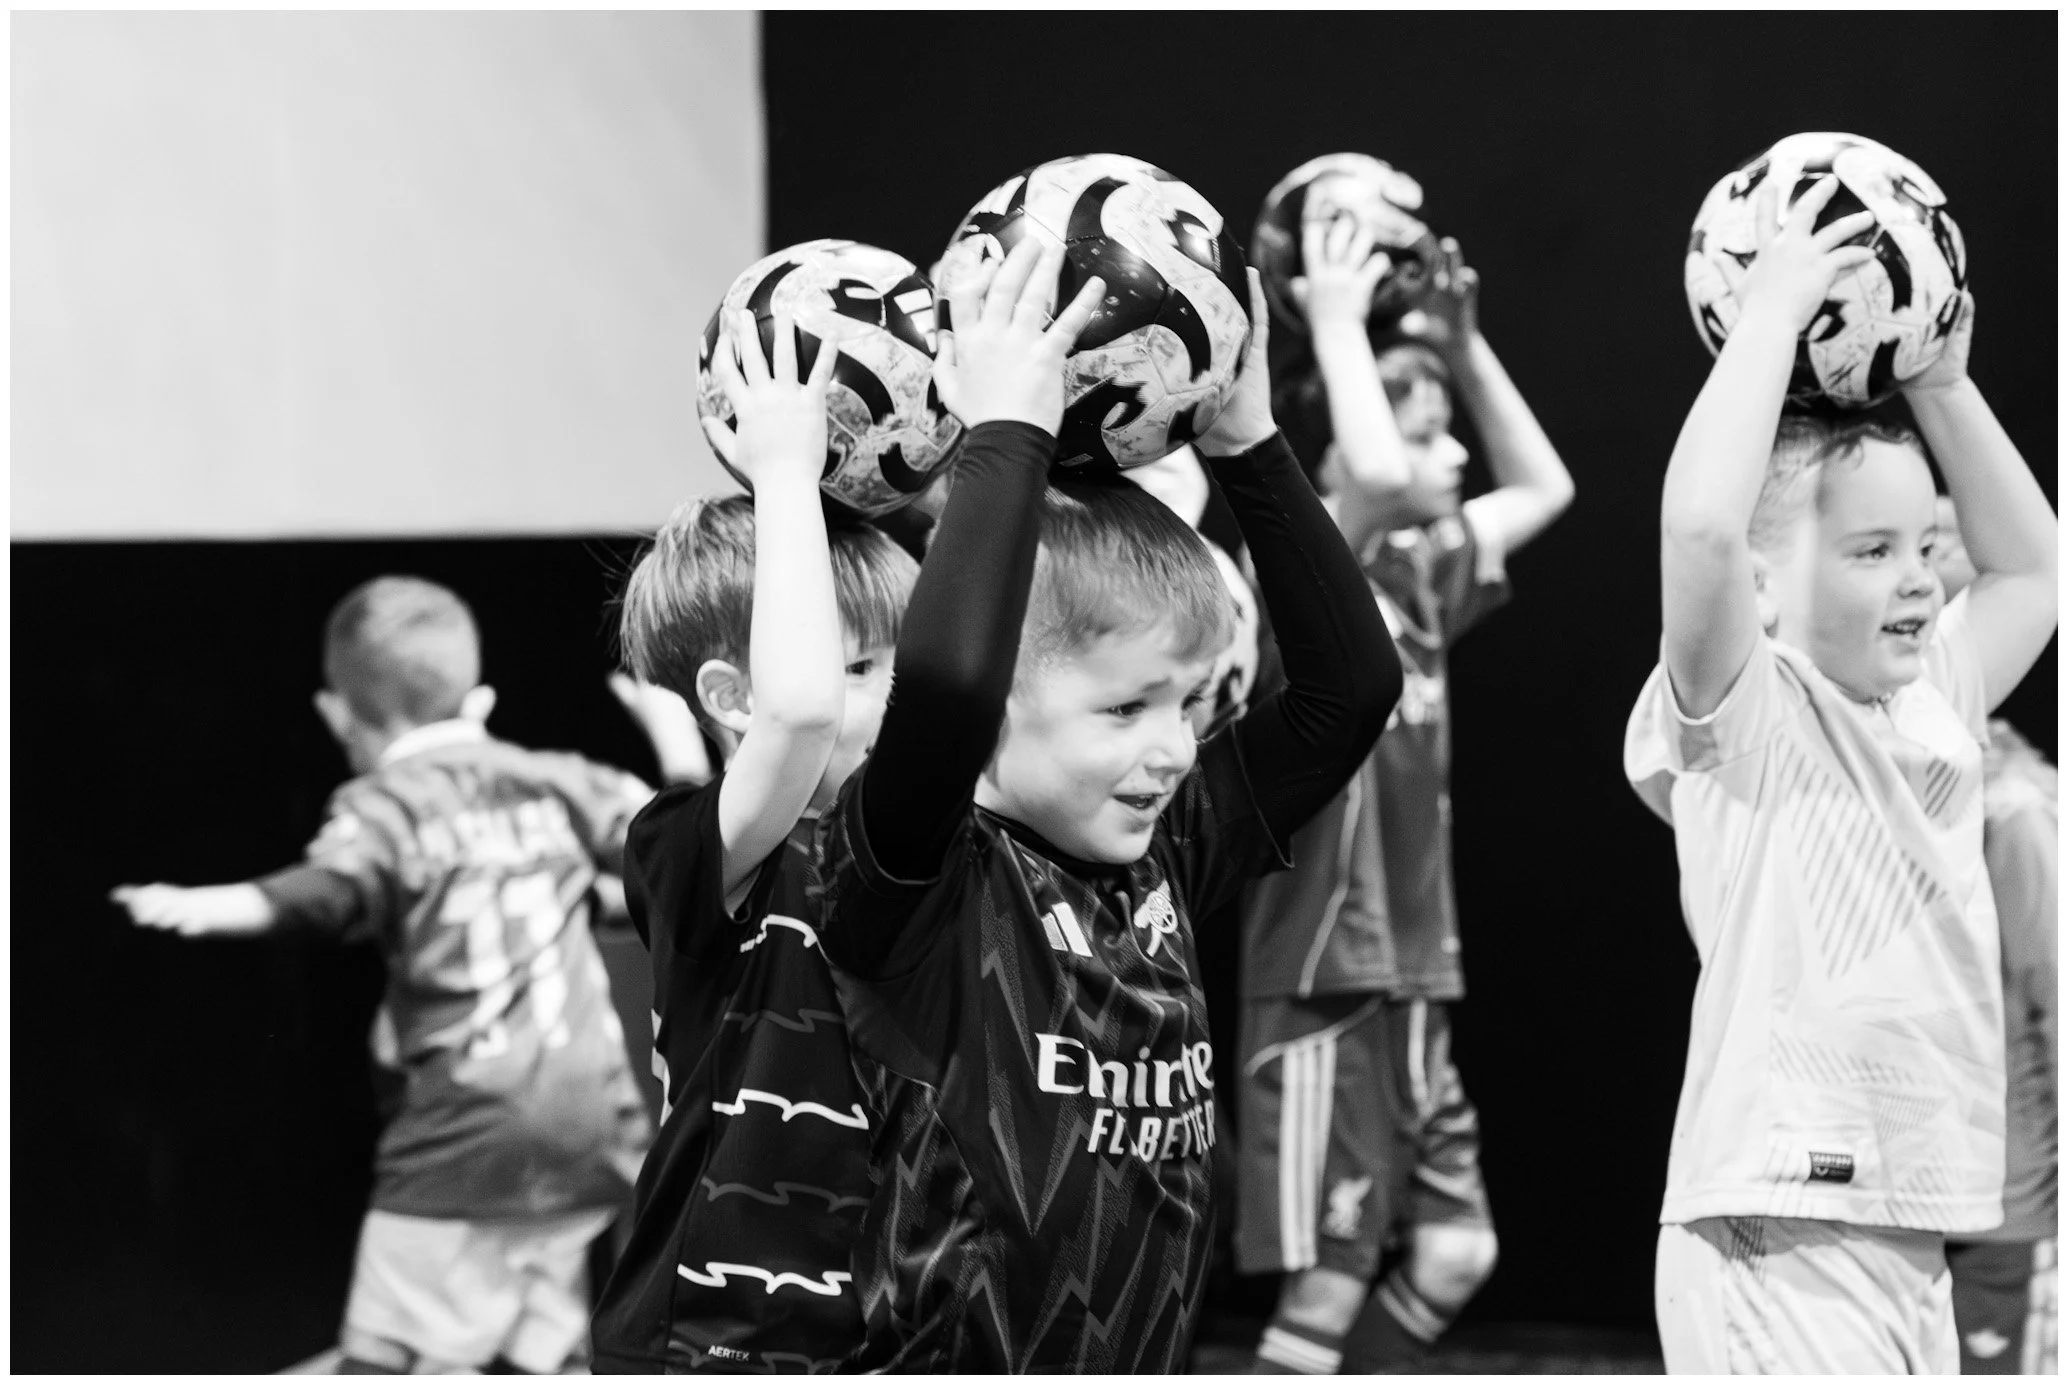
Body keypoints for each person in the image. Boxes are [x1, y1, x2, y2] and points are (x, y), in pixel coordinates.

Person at [815, 235, 1399, 1372]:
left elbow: (1349, 691)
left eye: (1188, 702)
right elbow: (942, 689)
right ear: (998, 703)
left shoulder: (1163, 851)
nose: (1176, 748)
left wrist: (1252, 443)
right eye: (1125, 708)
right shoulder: (917, 869)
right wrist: (1005, 433)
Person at [1623, 175, 2058, 1372]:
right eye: (1872, 551)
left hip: (1906, 1227)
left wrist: (1943, 384)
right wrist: (1767, 320)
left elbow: (2037, 570)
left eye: (1925, 545)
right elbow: (1703, 531)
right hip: (1778, 1223)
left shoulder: (1932, 702)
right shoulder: (1747, 709)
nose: (1921, 577)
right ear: (1762, 592)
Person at [113, 574, 671, 1374]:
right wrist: (681, 749)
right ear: (478, 705)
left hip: (460, 1145)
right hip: (594, 1136)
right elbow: (675, 855)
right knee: (536, 1359)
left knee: (379, 1366)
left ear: (338, 716)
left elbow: (327, 893)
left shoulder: (385, 804)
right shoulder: (553, 780)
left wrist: (216, 902)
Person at [1237, 212, 1575, 1374]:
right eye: (1402, 399)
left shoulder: (1423, 572)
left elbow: (1546, 483)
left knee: (1453, 1252)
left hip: (1416, 971)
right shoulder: (1289, 572)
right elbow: (1374, 469)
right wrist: (1332, 317)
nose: (1435, 430)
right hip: (1328, 973)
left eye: (1440, 410)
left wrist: (1463, 348)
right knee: (1327, 1282)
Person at [588, 311, 921, 1372]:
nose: (893, 699)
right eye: (864, 667)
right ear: (730, 697)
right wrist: (784, 473)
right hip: (713, 1340)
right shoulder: (684, 850)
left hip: (875, 1326)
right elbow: (799, 717)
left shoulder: (908, 841)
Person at [1933, 499, 2059, 1376]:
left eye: (1930, 545)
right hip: (1903, 1199)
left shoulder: (2013, 809)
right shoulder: (1900, 778)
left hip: (2000, 1212)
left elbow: (2054, 1004)